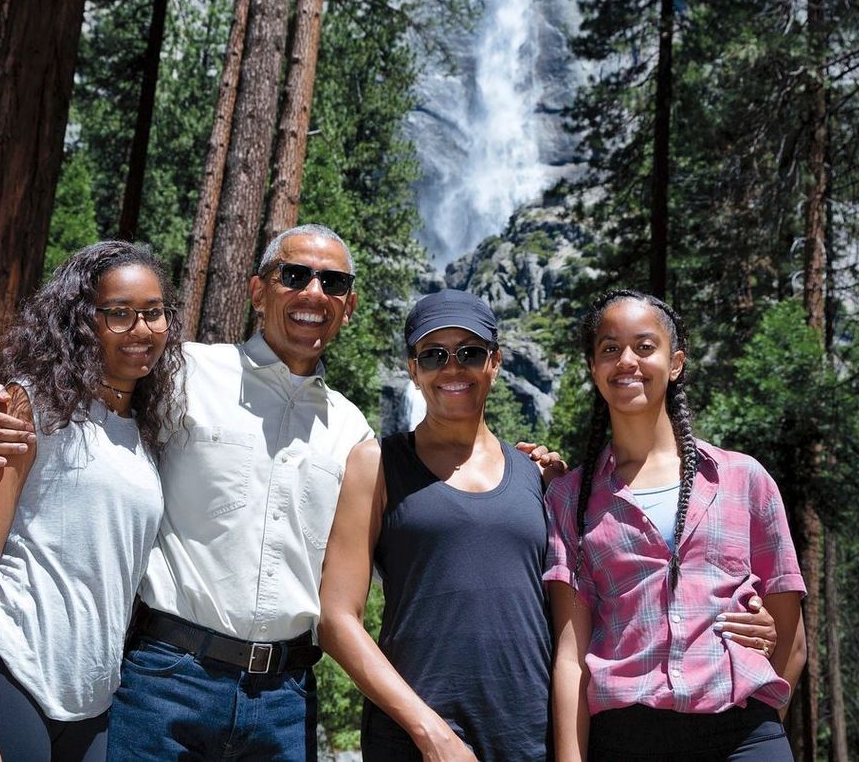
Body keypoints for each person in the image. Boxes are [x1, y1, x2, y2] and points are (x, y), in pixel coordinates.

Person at [0, 225, 374, 760]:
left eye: (333, 282)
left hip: (284, 700)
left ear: (349, 304)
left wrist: (519, 469)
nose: (314, 293)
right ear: (257, 291)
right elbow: (74, 396)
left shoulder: (353, 432)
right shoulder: (181, 371)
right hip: (166, 680)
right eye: (294, 275)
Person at [0, 241, 185, 761]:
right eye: (118, 314)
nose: (141, 329)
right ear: (82, 321)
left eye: (153, 312)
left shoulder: (145, 433)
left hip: (88, 709)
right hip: (3, 681)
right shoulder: (30, 405)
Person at [544, 290, 807, 761]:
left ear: (676, 362)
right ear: (593, 368)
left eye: (645, 346)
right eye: (609, 349)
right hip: (627, 741)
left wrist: (762, 733)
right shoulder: (569, 498)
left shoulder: (745, 480)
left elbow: (790, 637)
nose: (627, 361)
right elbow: (571, 657)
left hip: (742, 734)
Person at [318, 289, 554, 761]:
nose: (452, 368)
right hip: (415, 739)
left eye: (469, 352)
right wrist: (431, 732)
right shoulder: (376, 463)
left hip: (527, 734)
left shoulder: (537, 473)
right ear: (412, 368)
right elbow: (335, 618)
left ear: (495, 362)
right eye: (433, 355)